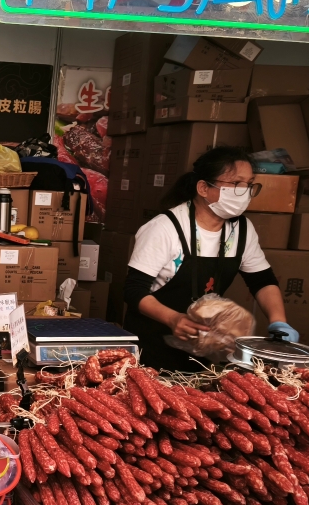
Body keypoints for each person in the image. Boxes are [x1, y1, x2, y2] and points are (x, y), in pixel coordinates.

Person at [123, 146, 297, 372]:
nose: (245, 192)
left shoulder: (242, 230)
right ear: (203, 188)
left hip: (201, 350)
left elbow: (262, 280)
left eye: (249, 184)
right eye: (236, 184)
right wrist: (173, 319)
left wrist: (278, 321)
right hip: (151, 347)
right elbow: (133, 290)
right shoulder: (165, 228)